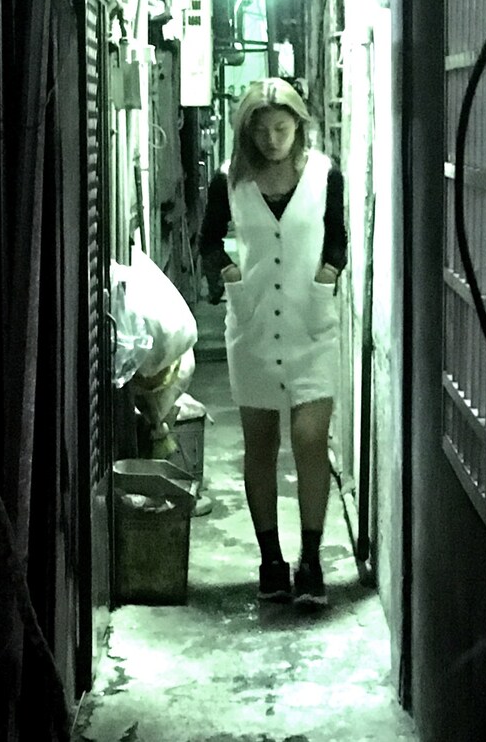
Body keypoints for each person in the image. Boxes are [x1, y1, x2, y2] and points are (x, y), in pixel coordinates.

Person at [198, 77, 347, 607]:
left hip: (312, 326)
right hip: (254, 327)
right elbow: (207, 241)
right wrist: (229, 274)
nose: (272, 140)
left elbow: (337, 237)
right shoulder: (229, 180)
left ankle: (311, 560)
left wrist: (328, 273)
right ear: (247, 132)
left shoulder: (325, 175)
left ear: (298, 126)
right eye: (261, 131)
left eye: (281, 128)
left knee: (309, 438)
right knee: (260, 444)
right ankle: (271, 562)